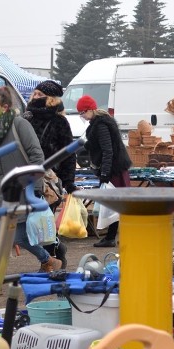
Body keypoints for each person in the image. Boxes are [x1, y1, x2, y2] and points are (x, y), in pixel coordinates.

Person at [0, 87, 61, 272]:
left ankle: (47, 259)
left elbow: (36, 155)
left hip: (21, 189)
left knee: (18, 236)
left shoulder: (19, 124)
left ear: (5, 107)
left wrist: (29, 184)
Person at [23, 80, 77, 268]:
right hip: (26, 176)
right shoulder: (25, 118)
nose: (35, 97)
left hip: (49, 180)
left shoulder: (59, 121)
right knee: (32, 223)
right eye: (34, 94)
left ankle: (49, 260)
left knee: (44, 222)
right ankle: (55, 250)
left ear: (51, 99)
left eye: (40, 95)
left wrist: (68, 181)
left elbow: (69, 152)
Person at [77, 94, 132, 247]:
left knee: (115, 205)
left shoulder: (100, 126)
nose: (83, 116)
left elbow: (108, 151)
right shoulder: (98, 123)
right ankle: (112, 236)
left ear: (90, 110)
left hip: (113, 170)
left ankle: (111, 237)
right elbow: (95, 144)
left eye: (83, 113)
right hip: (115, 168)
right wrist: (79, 148)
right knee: (117, 205)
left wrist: (105, 174)